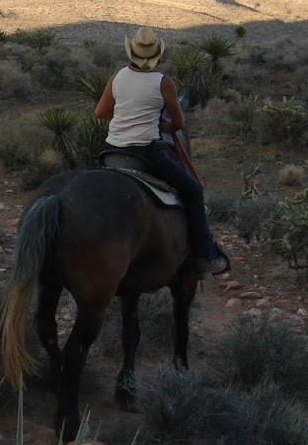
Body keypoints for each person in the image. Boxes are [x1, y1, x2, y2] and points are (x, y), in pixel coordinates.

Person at [94, 25, 230, 276]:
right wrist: (162, 123)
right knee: (192, 192)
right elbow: (178, 124)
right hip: (145, 152)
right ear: (157, 55)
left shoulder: (117, 77)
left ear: (131, 53)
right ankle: (204, 256)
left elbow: (100, 112)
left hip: (111, 149)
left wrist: (125, 116)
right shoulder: (163, 83)